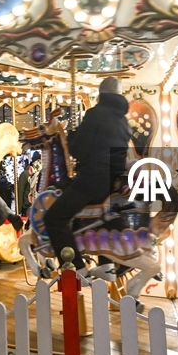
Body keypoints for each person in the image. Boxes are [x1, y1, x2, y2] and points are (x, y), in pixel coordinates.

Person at [44, 76, 131, 275]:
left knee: (54, 219)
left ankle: (76, 268)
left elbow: (78, 150)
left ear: (100, 95)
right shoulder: (123, 120)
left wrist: (72, 136)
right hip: (112, 181)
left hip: (93, 180)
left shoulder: (95, 114)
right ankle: (105, 263)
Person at [17, 152, 42, 219]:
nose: (39, 163)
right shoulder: (25, 174)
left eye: (40, 161)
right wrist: (19, 210)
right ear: (33, 162)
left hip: (36, 205)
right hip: (26, 206)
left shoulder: (40, 174)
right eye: (38, 161)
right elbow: (20, 191)